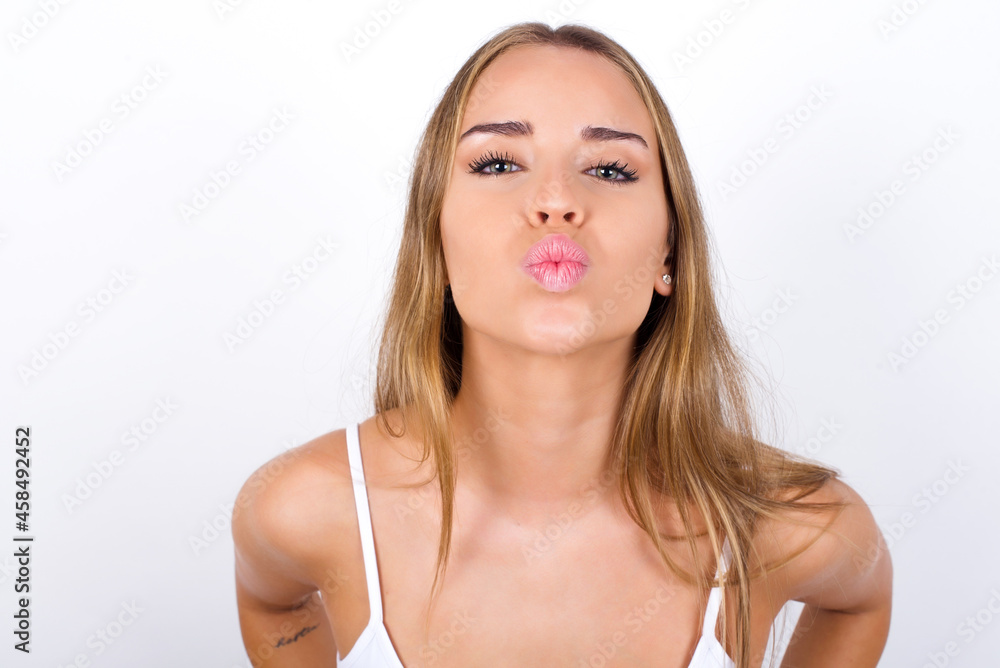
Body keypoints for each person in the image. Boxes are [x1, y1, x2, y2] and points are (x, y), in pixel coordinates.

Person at [232, 22, 892, 668]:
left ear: (670, 250)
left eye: (608, 168)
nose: (555, 200)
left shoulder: (786, 526)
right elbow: (272, 600)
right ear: (435, 240)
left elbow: (858, 601)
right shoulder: (306, 507)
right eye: (497, 162)